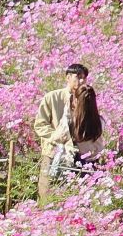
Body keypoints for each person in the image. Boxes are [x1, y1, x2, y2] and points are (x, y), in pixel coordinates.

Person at [35, 62, 94, 201]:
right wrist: (57, 138)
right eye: (78, 77)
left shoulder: (86, 99)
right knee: (47, 191)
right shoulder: (52, 97)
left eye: (84, 78)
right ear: (67, 77)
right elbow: (40, 125)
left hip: (79, 154)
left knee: (78, 196)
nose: (81, 81)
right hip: (54, 153)